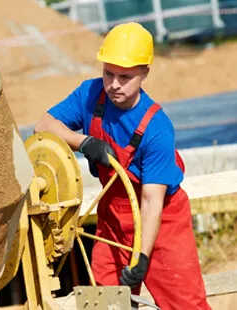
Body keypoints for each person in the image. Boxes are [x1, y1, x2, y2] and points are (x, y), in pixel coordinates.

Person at [34, 22, 211, 309]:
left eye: (125, 76)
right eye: (108, 73)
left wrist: (141, 257)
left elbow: (152, 202)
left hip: (161, 221)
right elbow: (43, 126)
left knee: (185, 303)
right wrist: (83, 142)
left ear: (144, 73)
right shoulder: (89, 94)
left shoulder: (157, 129)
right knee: (105, 303)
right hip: (113, 219)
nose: (114, 84)